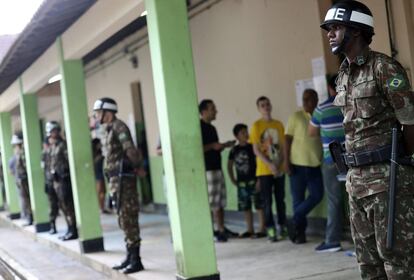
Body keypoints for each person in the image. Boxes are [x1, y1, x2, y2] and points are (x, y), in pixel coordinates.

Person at [320, 1, 414, 278]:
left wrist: (406, 166)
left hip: (388, 181)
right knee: (368, 265)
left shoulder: (383, 68)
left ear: (357, 30)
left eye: (336, 27)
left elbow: (410, 122)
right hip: (356, 182)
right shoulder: (343, 76)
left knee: (398, 263)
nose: (329, 33)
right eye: (329, 28)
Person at [93, 97, 144, 274]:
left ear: (108, 112)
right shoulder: (107, 129)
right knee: (123, 217)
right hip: (115, 181)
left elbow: (130, 150)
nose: (97, 116)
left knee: (129, 217)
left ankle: (136, 260)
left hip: (124, 180)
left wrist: (137, 167)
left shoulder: (119, 127)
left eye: (99, 112)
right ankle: (130, 256)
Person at [309, 75, 345, 252]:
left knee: (334, 200)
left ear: (330, 88)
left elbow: (311, 132)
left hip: (332, 159)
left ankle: (332, 240)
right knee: (359, 198)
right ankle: (364, 240)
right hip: (353, 158)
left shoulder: (322, 107)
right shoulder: (350, 102)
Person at [284, 89, 324, 244]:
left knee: (317, 195)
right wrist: (286, 162)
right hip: (297, 165)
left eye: (308, 99)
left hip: (315, 165)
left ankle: (294, 219)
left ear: (316, 100)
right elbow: (287, 139)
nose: (305, 102)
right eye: (303, 99)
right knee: (297, 199)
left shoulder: (319, 116)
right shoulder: (296, 116)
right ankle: (300, 234)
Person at [250, 96, 287, 242]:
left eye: (267, 104)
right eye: (262, 105)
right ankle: (270, 227)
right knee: (267, 201)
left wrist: (277, 164)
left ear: (270, 106)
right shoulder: (256, 126)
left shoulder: (278, 124)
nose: (265, 107)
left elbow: (283, 147)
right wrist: (270, 164)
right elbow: (256, 150)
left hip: (278, 168)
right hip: (264, 170)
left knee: (280, 199)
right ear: (259, 109)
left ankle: (282, 226)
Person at [199, 99, 236, 242]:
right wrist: (213, 146)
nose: (216, 111)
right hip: (208, 170)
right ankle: (211, 231)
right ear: (204, 112)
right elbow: (198, 149)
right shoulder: (199, 128)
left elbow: (214, 147)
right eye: (212, 109)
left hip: (217, 168)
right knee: (211, 202)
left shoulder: (212, 128)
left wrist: (223, 145)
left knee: (220, 201)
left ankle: (221, 228)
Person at [228, 124, 266, 238]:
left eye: (246, 132)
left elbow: (259, 163)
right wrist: (232, 178)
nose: (246, 134)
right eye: (242, 133)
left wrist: (259, 179)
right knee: (245, 206)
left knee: (259, 205)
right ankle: (250, 229)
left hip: (254, 180)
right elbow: (229, 165)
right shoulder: (234, 150)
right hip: (242, 182)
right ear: (236, 136)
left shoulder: (252, 147)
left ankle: (262, 228)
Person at [46, 121, 78, 241]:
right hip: (56, 182)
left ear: (57, 131)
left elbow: (68, 160)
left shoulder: (63, 145)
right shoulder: (53, 147)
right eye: (50, 132)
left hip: (64, 180)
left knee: (68, 206)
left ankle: (73, 229)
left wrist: (65, 174)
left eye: (53, 131)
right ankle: (69, 228)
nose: (51, 134)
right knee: (63, 206)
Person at [11, 132, 33, 226]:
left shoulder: (23, 152)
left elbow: (24, 166)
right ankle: (28, 217)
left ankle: (31, 218)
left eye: (16, 144)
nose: (15, 146)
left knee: (27, 199)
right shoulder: (18, 153)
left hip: (25, 179)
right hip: (20, 179)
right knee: (24, 199)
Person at [41, 136, 59, 234]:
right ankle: (53, 225)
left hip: (56, 182)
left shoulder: (55, 151)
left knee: (63, 205)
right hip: (49, 182)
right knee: (52, 206)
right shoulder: (45, 154)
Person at [92, 138, 109, 214]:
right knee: (101, 192)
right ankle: (101, 207)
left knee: (102, 192)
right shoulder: (95, 155)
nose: (100, 145)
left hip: (100, 174)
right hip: (98, 175)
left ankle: (102, 207)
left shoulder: (97, 153)